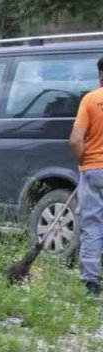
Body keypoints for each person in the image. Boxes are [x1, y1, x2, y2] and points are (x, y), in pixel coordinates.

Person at [70, 56, 103, 297]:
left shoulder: (91, 99)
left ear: (100, 75)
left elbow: (75, 140)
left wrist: (84, 162)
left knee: (92, 225)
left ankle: (91, 283)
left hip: (94, 170)